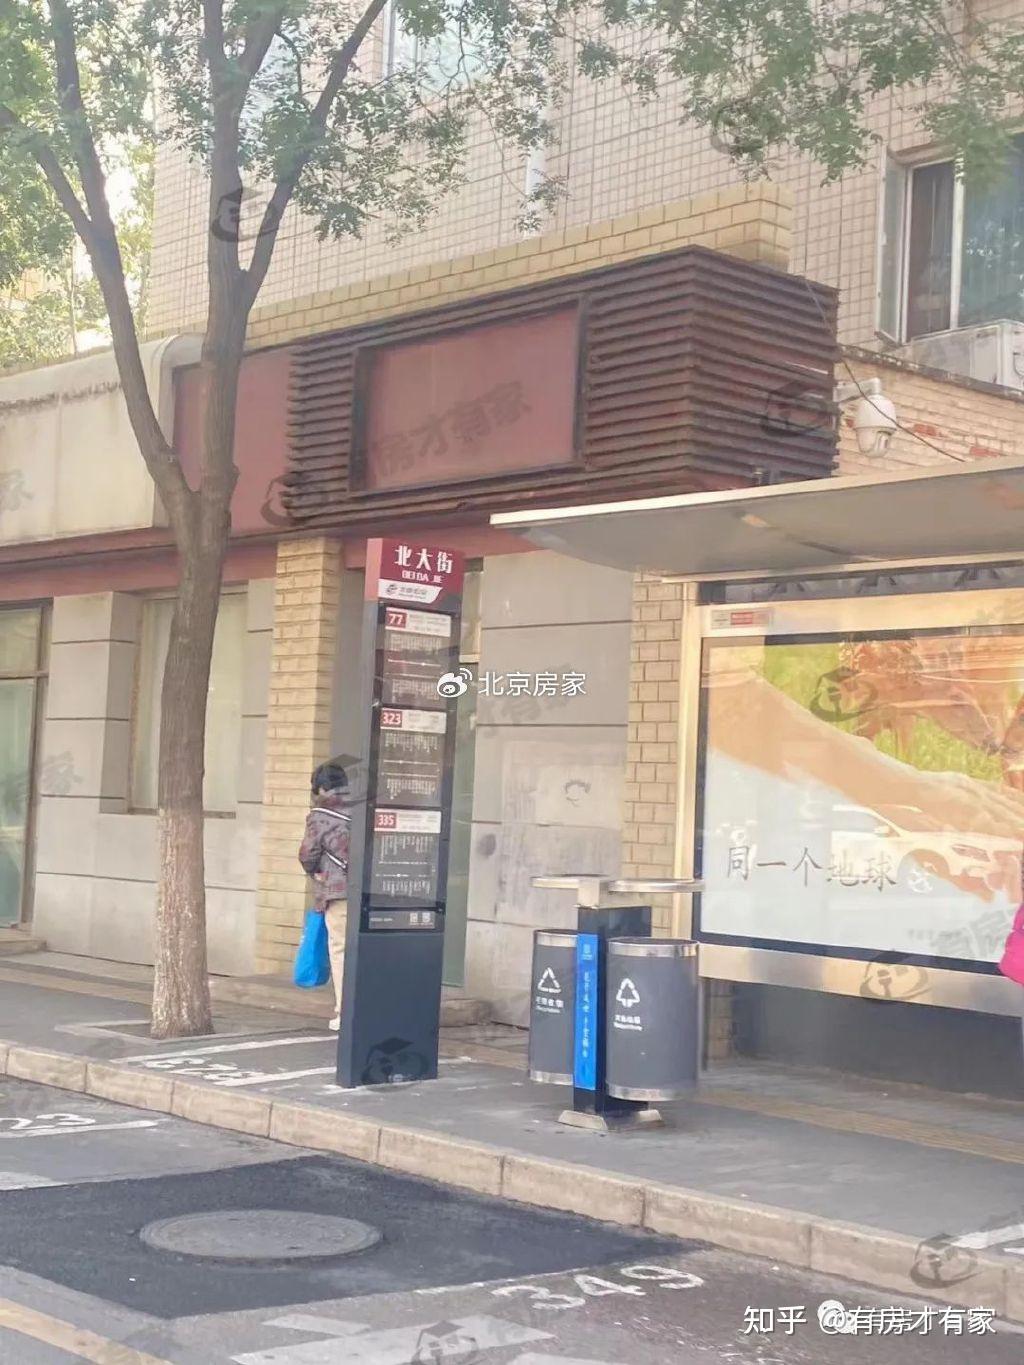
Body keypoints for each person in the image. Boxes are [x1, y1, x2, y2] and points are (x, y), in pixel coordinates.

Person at [298, 758, 351, 1031]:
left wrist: (315, 872)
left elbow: (308, 854)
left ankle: (346, 1012)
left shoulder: (320, 816)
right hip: (368, 893)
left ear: (320, 788)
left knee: (340, 950)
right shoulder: (361, 809)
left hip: (338, 892)